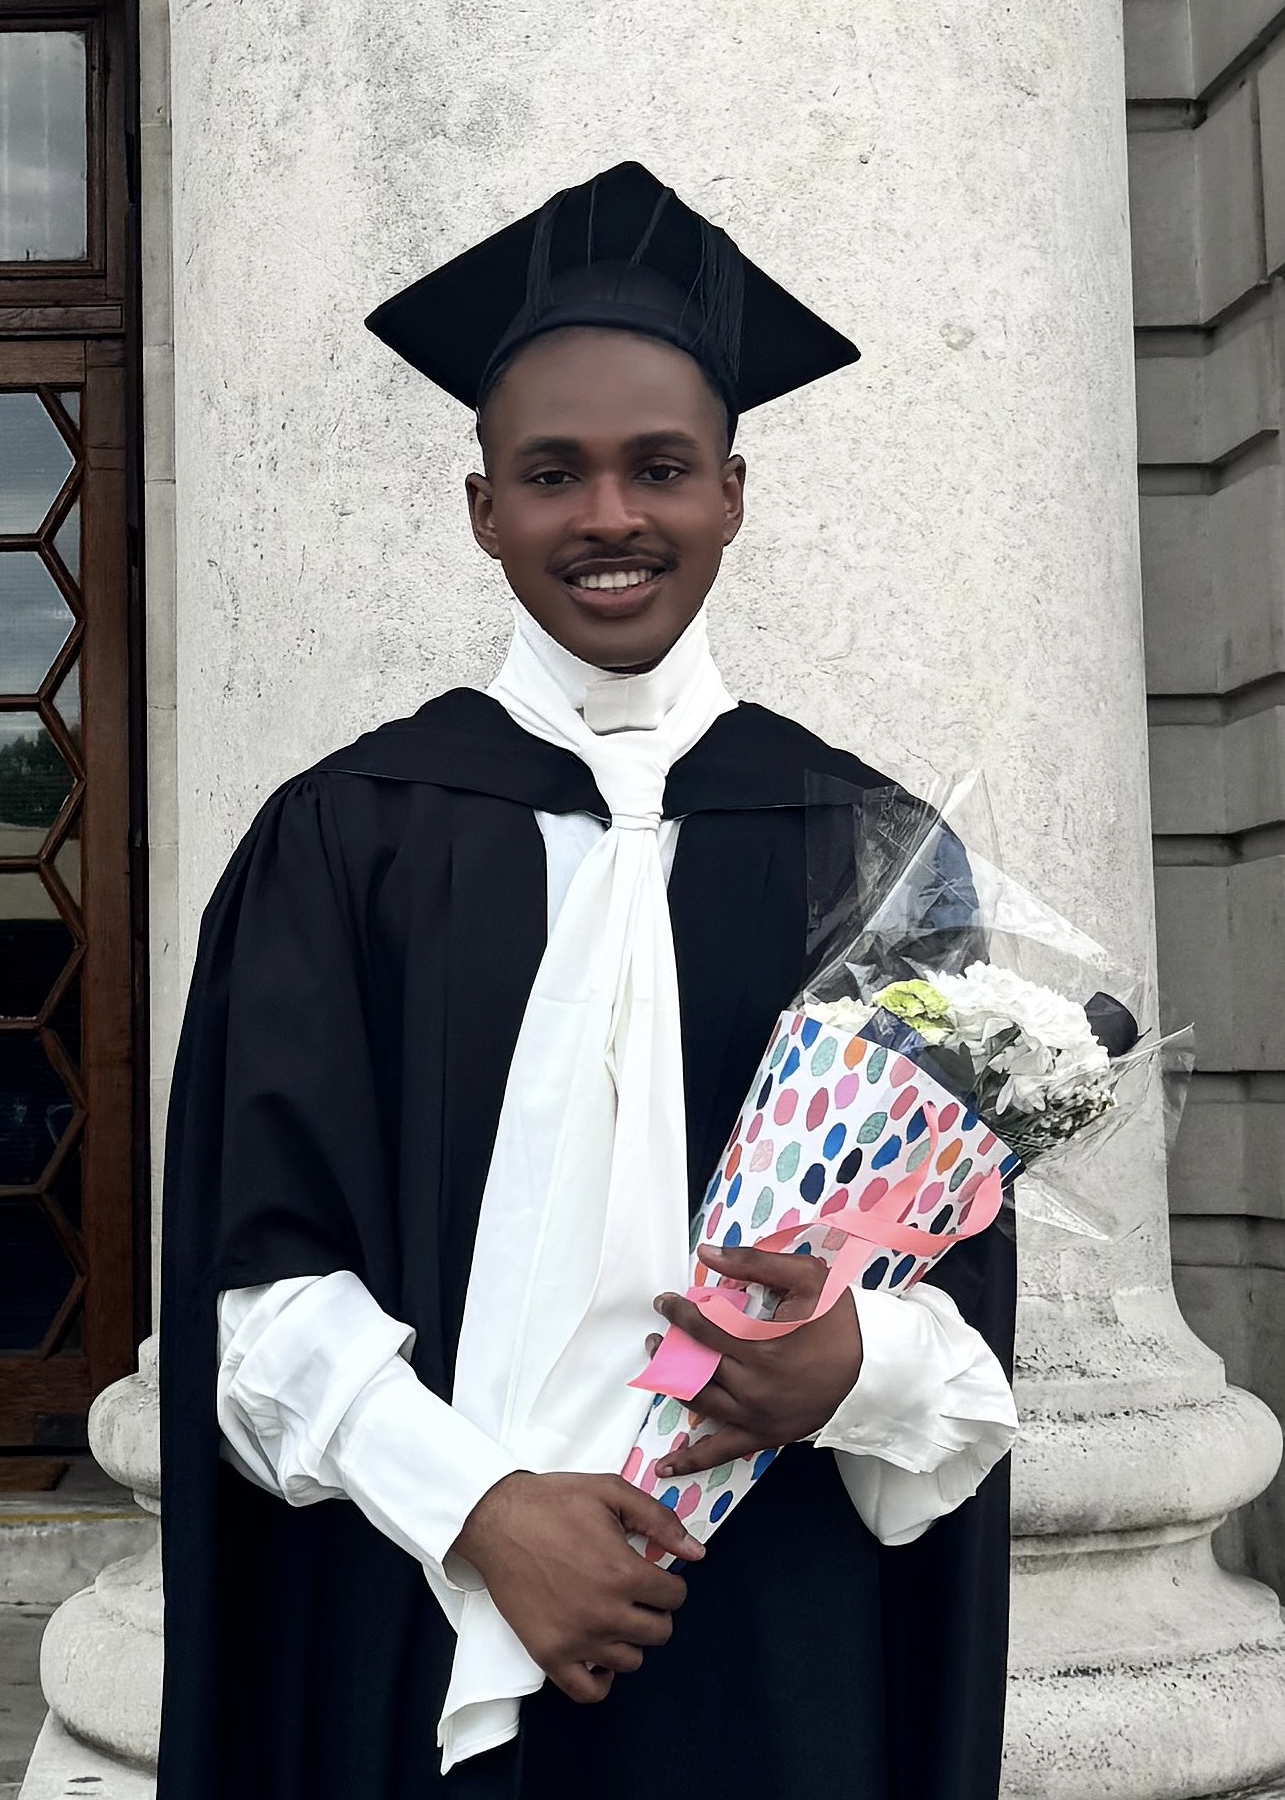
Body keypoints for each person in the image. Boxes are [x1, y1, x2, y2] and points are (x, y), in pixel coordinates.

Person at [158, 162, 1019, 1800]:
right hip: (423, 1618)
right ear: (482, 508)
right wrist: (484, 1511)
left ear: (736, 492)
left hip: (774, 1640)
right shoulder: (348, 840)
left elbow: (963, 1335)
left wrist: (847, 1367)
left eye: (660, 468)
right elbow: (255, 1301)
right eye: (553, 472)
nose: (610, 516)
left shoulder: (869, 849)